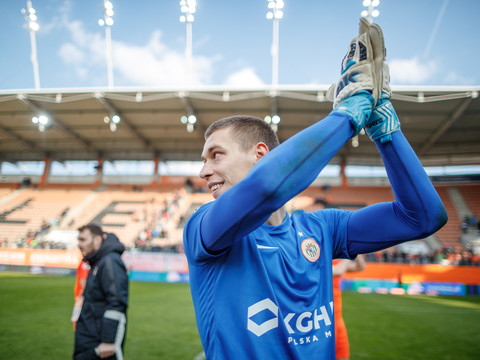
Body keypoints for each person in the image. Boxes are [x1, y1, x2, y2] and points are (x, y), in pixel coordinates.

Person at [183, 18, 447, 359]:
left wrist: (384, 127)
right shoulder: (202, 226)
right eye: (203, 160)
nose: (203, 171)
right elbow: (265, 189)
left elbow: (423, 218)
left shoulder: (323, 228)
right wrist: (349, 113)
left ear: (261, 155)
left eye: (215, 155)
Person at [74, 224, 129, 360]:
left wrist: (108, 341)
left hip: (100, 342)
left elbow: (116, 301)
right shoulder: (98, 261)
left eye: (83, 239)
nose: (79, 244)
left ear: (98, 240)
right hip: (90, 336)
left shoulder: (110, 261)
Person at [332, 255, 366, 360]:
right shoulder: (316, 262)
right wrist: (348, 251)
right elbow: (338, 271)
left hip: (337, 320)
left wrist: (357, 251)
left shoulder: (337, 263)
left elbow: (361, 267)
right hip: (323, 321)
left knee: (343, 357)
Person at [72, 259, 91, 331]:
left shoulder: (87, 261)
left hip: (82, 297)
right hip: (82, 298)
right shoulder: (85, 262)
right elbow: (83, 280)